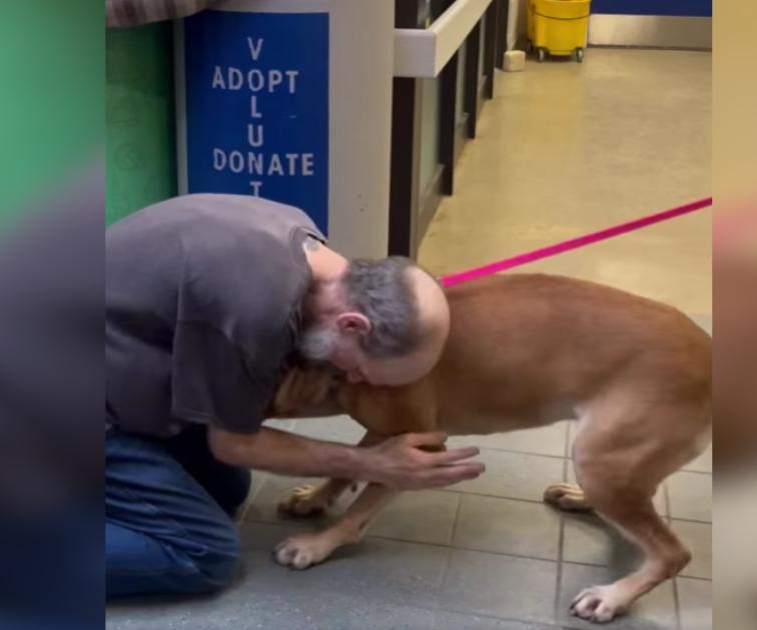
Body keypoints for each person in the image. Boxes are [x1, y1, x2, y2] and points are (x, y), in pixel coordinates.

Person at [104, 194, 483, 597]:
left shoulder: (305, 243)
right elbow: (234, 443)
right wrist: (372, 463)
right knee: (204, 554)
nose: (353, 380)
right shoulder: (255, 308)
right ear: (353, 325)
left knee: (225, 489)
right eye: (359, 371)